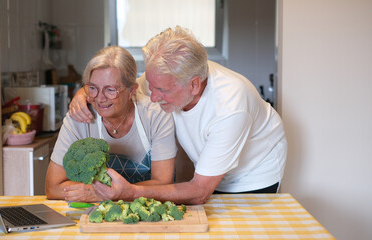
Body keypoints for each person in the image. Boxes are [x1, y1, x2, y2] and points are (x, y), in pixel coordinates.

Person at [69, 26, 287, 204]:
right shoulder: (168, 76)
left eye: (162, 91)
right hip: (208, 173)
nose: (152, 97)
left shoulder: (230, 106)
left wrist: (131, 192)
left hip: (253, 174)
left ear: (193, 85)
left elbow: (199, 191)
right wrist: (85, 93)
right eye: (151, 86)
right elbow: (126, 89)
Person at [45, 46, 177, 203]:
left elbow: (163, 183)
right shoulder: (79, 118)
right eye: (93, 88)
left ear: (132, 90)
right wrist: (97, 191)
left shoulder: (156, 115)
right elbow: (52, 187)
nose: (100, 98)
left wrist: (112, 193)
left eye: (110, 90)